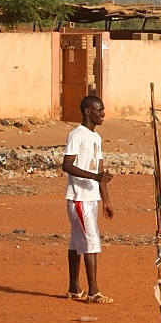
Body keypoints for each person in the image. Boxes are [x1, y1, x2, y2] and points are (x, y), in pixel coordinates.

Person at [63, 95, 115, 304]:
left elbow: (99, 170)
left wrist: (106, 200)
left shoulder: (96, 138)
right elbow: (66, 165)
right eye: (99, 110)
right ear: (87, 111)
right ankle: (94, 292)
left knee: (77, 242)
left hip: (91, 198)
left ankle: (74, 288)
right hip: (79, 197)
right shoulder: (77, 135)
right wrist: (94, 177)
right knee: (91, 241)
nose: (103, 114)